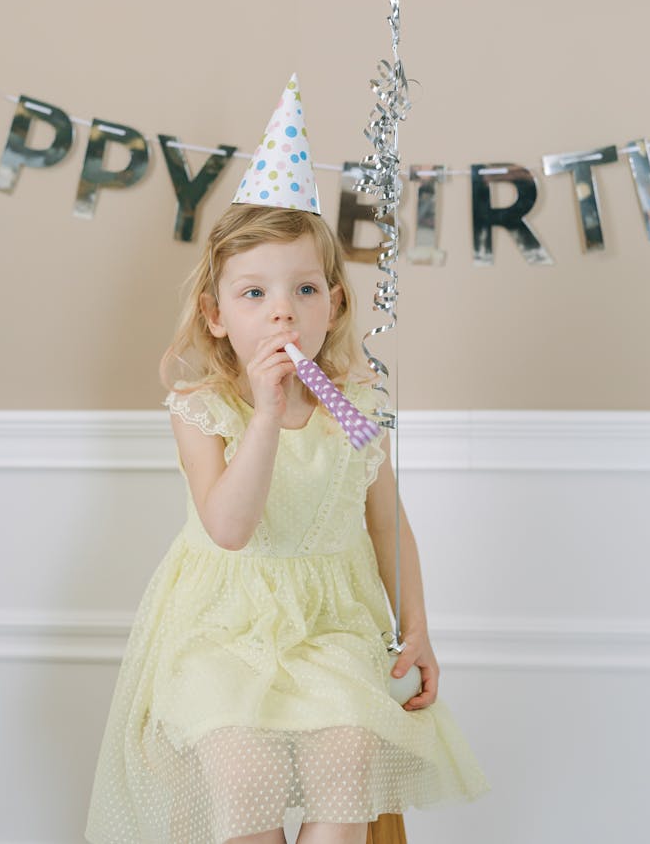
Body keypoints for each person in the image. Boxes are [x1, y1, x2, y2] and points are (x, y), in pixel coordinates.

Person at [85, 79, 490, 844]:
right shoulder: (206, 410)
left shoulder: (356, 408)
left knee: (352, 746)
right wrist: (268, 415)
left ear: (332, 305)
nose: (282, 310)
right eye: (254, 292)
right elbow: (230, 527)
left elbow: (386, 521)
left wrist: (418, 627)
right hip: (223, 630)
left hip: (330, 626)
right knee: (238, 766)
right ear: (215, 311)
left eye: (304, 289)